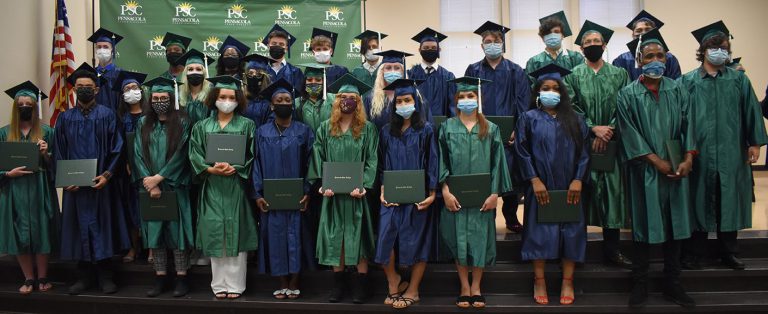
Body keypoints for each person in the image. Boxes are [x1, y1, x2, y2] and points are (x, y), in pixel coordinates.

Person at [678, 21, 768, 270]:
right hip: (699, 152)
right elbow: (680, 118)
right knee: (698, 198)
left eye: (724, 47)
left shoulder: (739, 80)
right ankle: (694, 252)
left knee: (729, 199)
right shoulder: (688, 81)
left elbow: (752, 112)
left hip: (731, 150)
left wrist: (755, 143)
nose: (720, 51)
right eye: (715, 47)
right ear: (704, 50)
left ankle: (728, 251)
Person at [616, 29, 696, 308]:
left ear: (667, 58)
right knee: (644, 225)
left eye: (660, 56)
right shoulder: (628, 95)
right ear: (639, 60)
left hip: (677, 170)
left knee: (675, 225)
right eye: (649, 56)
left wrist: (688, 158)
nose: (655, 60)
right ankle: (640, 284)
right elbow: (628, 133)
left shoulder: (678, 90)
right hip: (645, 172)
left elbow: (690, 127)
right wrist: (656, 161)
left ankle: (673, 283)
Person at [515, 64, 588, 305]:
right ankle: (539, 280)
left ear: (563, 93)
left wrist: (578, 179)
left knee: (572, 230)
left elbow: (584, 152)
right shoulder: (528, 118)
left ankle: (568, 280)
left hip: (570, 184)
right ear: (537, 92)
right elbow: (522, 151)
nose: (551, 92)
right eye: (545, 88)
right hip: (540, 185)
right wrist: (534, 180)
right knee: (539, 231)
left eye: (556, 88)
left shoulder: (576, 119)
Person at [55, 63, 129, 295]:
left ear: (96, 90)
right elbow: (59, 151)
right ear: (74, 90)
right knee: (78, 229)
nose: (84, 90)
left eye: (89, 86)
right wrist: (65, 180)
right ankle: (84, 276)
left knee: (103, 227)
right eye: (80, 87)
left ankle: (106, 276)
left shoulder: (107, 115)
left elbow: (118, 148)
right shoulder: (65, 118)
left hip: (101, 185)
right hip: (75, 187)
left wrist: (107, 175)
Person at [564, 20, 632, 268]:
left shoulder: (619, 74)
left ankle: (612, 250)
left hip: (612, 142)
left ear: (604, 45)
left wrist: (608, 130)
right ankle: (577, 252)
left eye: (596, 42)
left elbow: (625, 106)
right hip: (582, 143)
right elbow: (571, 108)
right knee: (581, 194)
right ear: (581, 47)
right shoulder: (572, 76)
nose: (592, 45)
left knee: (612, 195)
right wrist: (593, 128)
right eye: (587, 42)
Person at [440, 77, 512, 309]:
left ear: (478, 99)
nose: (467, 100)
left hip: (483, 197)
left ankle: (477, 287)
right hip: (455, 196)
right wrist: (445, 191)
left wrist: (495, 194)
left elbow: (498, 164)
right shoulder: (446, 127)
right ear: (456, 101)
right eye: (462, 97)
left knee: (480, 240)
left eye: (471, 96)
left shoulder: (490, 128)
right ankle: (464, 286)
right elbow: (441, 161)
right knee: (459, 240)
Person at [307, 74, 377, 304]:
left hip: (357, 194)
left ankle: (361, 285)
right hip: (333, 194)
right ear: (336, 101)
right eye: (343, 97)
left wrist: (365, 184)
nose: (347, 100)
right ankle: (339, 284)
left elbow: (372, 160)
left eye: (352, 97)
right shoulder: (326, 128)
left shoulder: (368, 129)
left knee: (358, 237)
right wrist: (323, 184)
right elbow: (318, 155)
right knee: (336, 237)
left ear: (359, 101)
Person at [188, 75, 258, 299]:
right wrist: (210, 169)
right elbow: (194, 153)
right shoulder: (202, 126)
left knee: (236, 234)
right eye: (222, 97)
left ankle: (236, 285)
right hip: (212, 186)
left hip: (235, 186)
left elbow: (252, 155)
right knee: (215, 232)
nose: (227, 101)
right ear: (214, 99)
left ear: (238, 99)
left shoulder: (247, 125)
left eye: (231, 97)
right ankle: (219, 284)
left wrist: (236, 167)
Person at [375, 79, 438, 309]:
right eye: (399, 101)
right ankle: (394, 282)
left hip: (418, 195)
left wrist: (432, 193)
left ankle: (413, 289)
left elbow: (433, 162)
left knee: (418, 240)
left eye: (407, 100)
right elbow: (381, 164)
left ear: (415, 102)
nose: (403, 104)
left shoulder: (427, 130)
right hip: (391, 194)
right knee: (385, 240)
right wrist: (382, 188)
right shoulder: (385, 132)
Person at [464, 21, 531, 234]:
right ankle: (487, 218)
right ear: (482, 46)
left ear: (503, 44)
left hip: (509, 136)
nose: (492, 44)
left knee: (510, 178)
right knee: (485, 177)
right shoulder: (473, 70)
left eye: (496, 41)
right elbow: (466, 99)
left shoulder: (515, 70)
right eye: (488, 42)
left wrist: (517, 130)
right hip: (481, 134)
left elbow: (523, 102)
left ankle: (510, 218)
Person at [252, 79, 315, 300]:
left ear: (293, 103)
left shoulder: (304, 131)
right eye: (279, 100)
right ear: (271, 105)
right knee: (276, 235)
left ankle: (295, 280)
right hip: (272, 198)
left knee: (297, 235)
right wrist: (258, 193)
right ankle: (281, 281)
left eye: (288, 100)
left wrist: (308, 191)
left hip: (297, 197)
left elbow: (311, 164)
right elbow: (256, 164)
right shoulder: (261, 132)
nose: (283, 103)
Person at [134, 77, 194, 298]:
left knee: (178, 234)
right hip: (150, 187)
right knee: (155, 234)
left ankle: (181, 278)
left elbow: (182, 154)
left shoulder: (183, 122)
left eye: (164, 98)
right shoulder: (143, 123)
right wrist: (149, 182)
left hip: (175, 185)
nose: (160, 101)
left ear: (172, 99)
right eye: (156, 98)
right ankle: (159, 278)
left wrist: (159, 177)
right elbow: (138, 154)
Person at [0, 81, 57, 294]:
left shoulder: (47, 132)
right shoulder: (4, 134)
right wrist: (7, 173)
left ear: (35, 107)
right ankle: (29, 278)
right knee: (18, 233)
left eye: (29, 104)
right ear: (16, 107)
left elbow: (57, 165)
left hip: (38, 187)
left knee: (41, 230)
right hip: (14, 189)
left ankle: (43, 276)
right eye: (21, 104)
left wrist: (45, 154)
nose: (25, 107)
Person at [113, 70, 148, 264]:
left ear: (141, 90)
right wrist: (126, 161)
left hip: (150, 169)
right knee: (131, 208)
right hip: (128, 170)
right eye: (127, 89)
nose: (132, 91)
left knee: (149, 208)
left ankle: (152, 249)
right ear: (122, 95)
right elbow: (118, 144)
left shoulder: (150, 115)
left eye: (135, 87)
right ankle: (134, 248)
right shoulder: (121, 117)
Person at [612, 11, 682, 81]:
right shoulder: (622, 60)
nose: (643, 33)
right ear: (633, 35)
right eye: (638, 30)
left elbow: (676, 85)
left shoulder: (670, 59)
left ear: (655, 32)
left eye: (648, 29)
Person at [407, 27, 457, 117]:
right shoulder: (410, 75)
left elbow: (453, 106)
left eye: (434, 48)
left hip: (442, 126)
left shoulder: (448, 76)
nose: (430, 50)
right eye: (426, 48)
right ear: (419, 50)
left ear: (439, 50)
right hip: (417, 127)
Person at [525, 11, 584, 84]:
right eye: (548, 33)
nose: (552, 35)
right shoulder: (534, 62)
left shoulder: (576, 58)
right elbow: (531, 88)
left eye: (556, 32)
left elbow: (582, 84)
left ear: (562, 35)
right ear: (543, 38)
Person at [88, 28, 124, 113]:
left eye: (105, 47)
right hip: (93, 122)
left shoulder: (120, 74)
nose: (102, 50)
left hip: (115, 122)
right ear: (96, 50)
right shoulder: (90, 74)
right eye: (99, 47)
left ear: (112, 50)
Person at [175, 49, 214, 125]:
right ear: (186, 73)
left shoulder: (211, 95)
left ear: (204, 73)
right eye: (190, 69)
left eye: (199, 69)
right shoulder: (179, 97)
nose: (194, 72)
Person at [294, 63, 336, 132]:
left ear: (323, 81)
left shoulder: (332, 99)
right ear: (305, 82)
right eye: (309, 80)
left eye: (318, 80)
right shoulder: (297, 103)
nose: (313, 83)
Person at [263, 24, 305, 91]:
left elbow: (298, 97)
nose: (277, 46)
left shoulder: (295, 72)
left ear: (286, 49)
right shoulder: (260, 69)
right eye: (274, 43)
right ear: (268, 46)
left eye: (281, 44)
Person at [242, 53, 277, 127]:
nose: (253, 76)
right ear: (245, 76)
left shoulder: (270, 102)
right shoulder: (240, 99)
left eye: (258, 74)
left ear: (265, 77)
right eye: (250, 73)